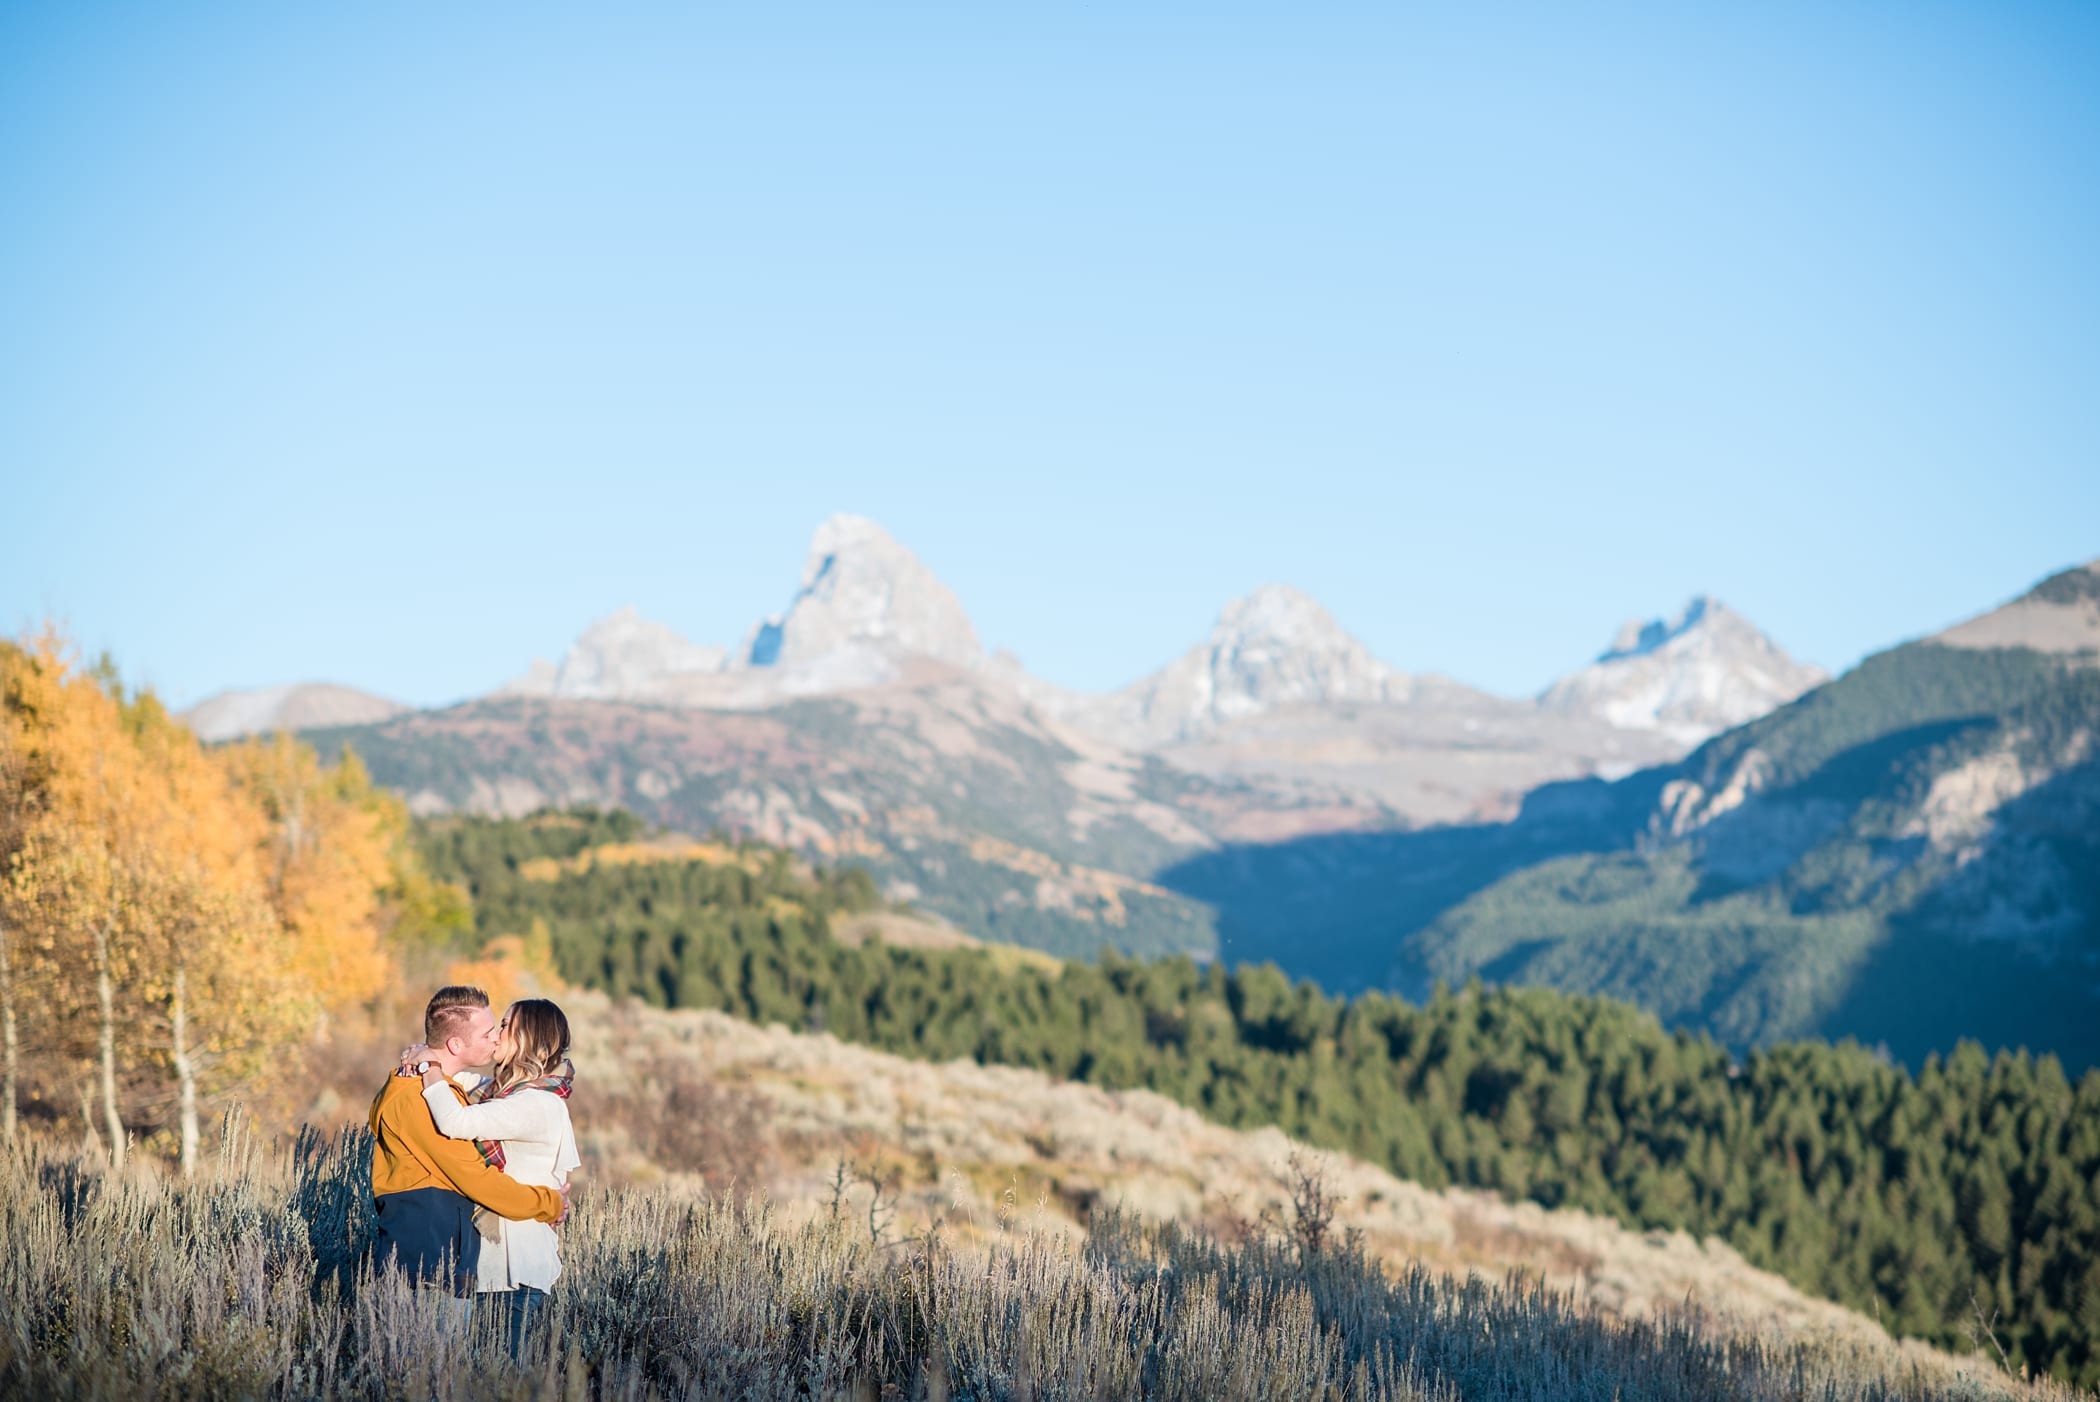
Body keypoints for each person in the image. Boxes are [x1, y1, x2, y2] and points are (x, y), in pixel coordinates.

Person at [369, 985, 568, 1332]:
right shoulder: (421, 1097)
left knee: (467, 1375)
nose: (495, 1039)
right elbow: (476, 1178)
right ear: (457, 1044)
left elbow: (457, 1101)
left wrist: (427, 1060)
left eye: (502, 1029)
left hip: (483, 1261)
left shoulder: (522, 1099)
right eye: (491, 1030)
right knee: (433, 1373)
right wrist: (550, 1202)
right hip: (428, 1256)